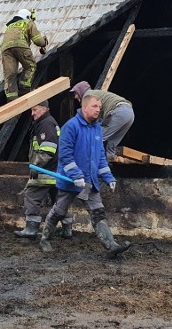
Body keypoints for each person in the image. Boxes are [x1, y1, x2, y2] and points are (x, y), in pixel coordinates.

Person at [39, 92, 131, 258]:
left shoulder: (97, 128)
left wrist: (108, 177)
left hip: (89, 181)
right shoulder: (71, 127)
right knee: (59, 211)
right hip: (70, 181)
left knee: (98, 212)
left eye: (100, 108)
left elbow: (100, 156)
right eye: (95, 107)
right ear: (85, 107)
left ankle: (111, 246)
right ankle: (44, 239)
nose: (98, 110)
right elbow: (65, 155)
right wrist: (76, 175)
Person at [13, 101, 73, 239]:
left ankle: (31, 229)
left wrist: (37, 166)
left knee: (31, 195)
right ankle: (67, 229)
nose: (32, 113)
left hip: (46, 171)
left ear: (44, 109)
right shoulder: (50, 122)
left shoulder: (45, 124)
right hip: (57, 172)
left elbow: (48, 149)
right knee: (60, 201)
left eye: (35, 109)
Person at [69, 81, 134, 162]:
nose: (75, 97)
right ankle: (110, 157)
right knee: (112, 141)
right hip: (130, 113)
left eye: (75, 93)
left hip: (119, 111)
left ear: (80, 90)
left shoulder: (87, 96)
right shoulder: (96, 95)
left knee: (97, 136)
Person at [0, 8, 48, 101]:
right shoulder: (28, 23)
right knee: (30, 66)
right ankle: (23, 90)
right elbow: (38, 41)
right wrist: (44, 42)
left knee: (10, 75)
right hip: (20, 45)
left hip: (6, 49)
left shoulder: (9, 26)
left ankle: (12, 99)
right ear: (27, 17)